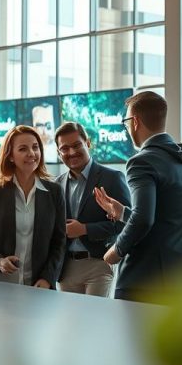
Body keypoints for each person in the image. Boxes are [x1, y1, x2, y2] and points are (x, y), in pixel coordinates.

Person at [94, 91, 182, 303]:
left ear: (135, 121)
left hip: (146, 281)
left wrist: (116, 250)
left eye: (126, 122)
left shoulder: (142, 161)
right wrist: (122, 213)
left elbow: (144, 220)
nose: (127, 128)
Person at [0, 125, 66, 288]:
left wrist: (48, 278)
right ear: (10, 156)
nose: (31, 153)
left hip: (38, 285)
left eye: (35, 147)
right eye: (23, 149)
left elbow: (59, 242)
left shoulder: (54, 192)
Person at [53, 121, 131, 297]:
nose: (71, 152)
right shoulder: (56, 185)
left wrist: (84, 229)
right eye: (65, 148)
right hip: (66, 268)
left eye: (76, 145)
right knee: (71, 322)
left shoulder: (112, 178)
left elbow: (126, 224)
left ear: (87, 143)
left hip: (99, 264)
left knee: (94, 320)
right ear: (59, 153)